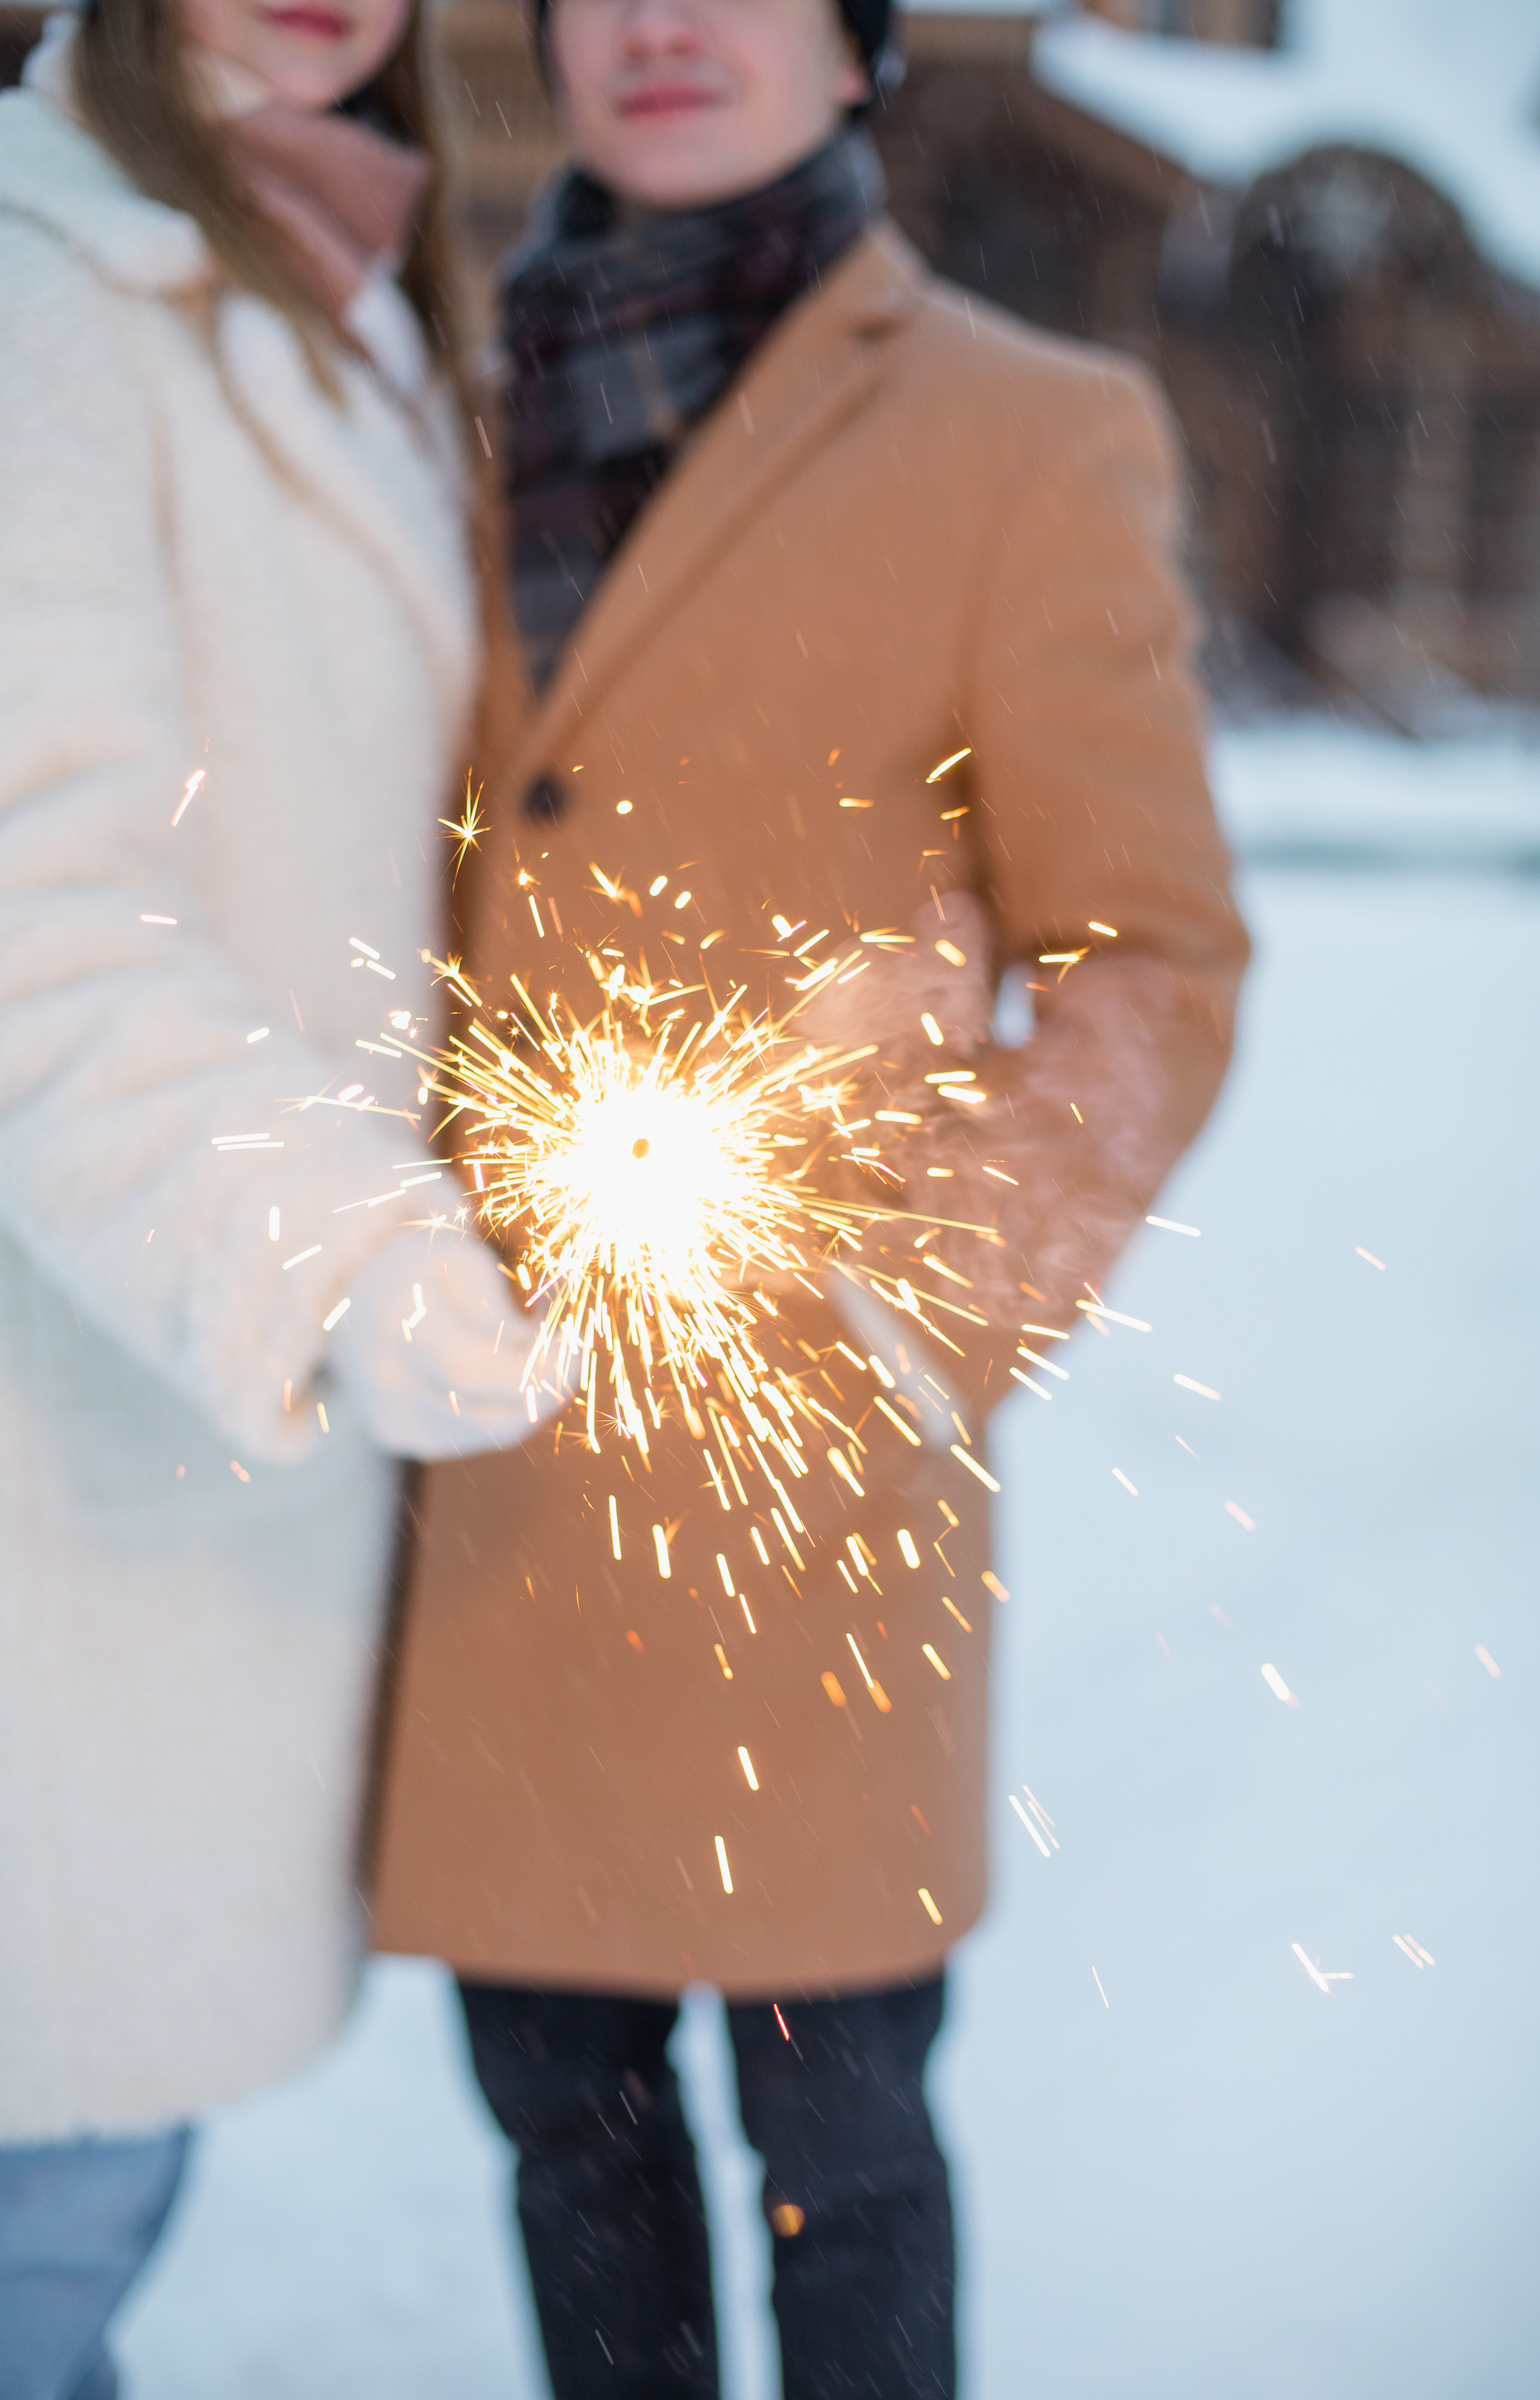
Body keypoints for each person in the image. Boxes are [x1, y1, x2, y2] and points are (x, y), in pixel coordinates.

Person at [370, 0, 1249, 2391]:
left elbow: (1145, 955)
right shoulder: (410, 407)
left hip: (805, 1464)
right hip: (471, 1437)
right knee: (562, 2126)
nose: (661, 28)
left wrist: (921, 1321)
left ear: (860, 49)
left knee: (835, 2144)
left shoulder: (1021, 430)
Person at [0, 1, 539, 2389]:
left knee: (83, 2218)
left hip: (199, 1449)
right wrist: (337, 1241)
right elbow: (33, 917)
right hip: (78, 1427)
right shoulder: (43, 294)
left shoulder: (355, 284)